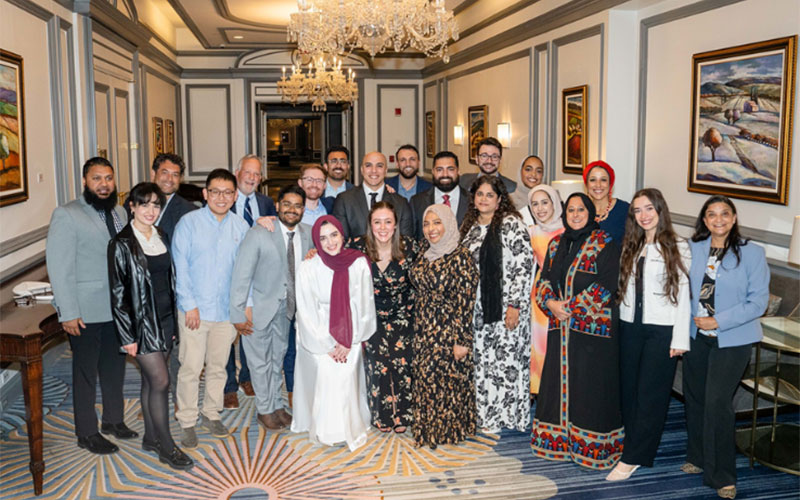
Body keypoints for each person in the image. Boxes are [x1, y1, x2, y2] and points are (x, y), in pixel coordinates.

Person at [46, 157, 136, 455]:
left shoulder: (119, 212)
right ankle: (86, 432)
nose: (104, 184)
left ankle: (113, 420)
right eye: (97, 178)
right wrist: (68, 312)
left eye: (108, 178)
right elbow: (59, 268)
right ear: (85, 181)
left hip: (116, 309)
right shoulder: (67, 214)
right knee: (85, 373)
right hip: (85, 312)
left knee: (114, 368)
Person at [682, 195, 769, 499]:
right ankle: (697, 456)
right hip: (695, 337)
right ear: (704, 220)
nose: (718, 220)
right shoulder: (692, 248)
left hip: (733, 339)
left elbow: (758, 303)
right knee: (695, 399)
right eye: (711, 214)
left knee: (718, 403)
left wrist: (718, 321)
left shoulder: (752, 253)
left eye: (724, 214)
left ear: (733, 218)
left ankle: (723, 476)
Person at [531, 192, 623, 470]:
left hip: (593, 333)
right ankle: (558, 444)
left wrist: (568, 308)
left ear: (591, 212)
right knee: (558, 385)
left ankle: (593, 449)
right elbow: (544, 280)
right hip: (560, 329)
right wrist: (550, 303)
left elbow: (607, 284)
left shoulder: (606, 243)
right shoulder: (556, 244)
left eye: (581, 209)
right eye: (570, 210)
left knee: (590, 388)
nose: (575, 215)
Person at [606, 188, 691, 482]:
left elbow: (684, 296)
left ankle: (634, 457)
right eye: (637, 210)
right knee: (628, 391)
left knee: (650, 395)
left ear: (660, 210)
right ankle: (631, 444)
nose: (643, 215)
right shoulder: (632, 244)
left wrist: (680, 339)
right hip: (630, 327)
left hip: (661, 331)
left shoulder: (678, 246)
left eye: (649, 209)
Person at [108, 182, 193, 470]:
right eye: (144, 204)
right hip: (140, 325)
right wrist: (127, 336)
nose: (150, 210)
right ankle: (167, 447)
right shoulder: (121, 243)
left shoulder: (161, 235)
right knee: (161, 381)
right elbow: (118, 295)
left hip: (165, 319)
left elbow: (168, 279)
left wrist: (174, 324)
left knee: (149, 382)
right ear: (131, 206)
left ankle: (150, 437)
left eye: (156, 205)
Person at [172, 169, 250, 449]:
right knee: (191, 367)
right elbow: (180, 267)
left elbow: (245, 272)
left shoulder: (241, 227)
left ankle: (211, 413)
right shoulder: (189, 223)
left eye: (227, 192)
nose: (221, 197)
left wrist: (243, 307)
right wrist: (189, 305)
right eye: (215, 191)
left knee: (219, 367)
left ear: (235, 196)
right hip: (195, 310)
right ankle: (187, 420)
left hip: (226, 312)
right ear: (205, 194)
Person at [230, 185, 313, 431]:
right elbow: (241, 274)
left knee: (276, 359)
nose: (292, 210)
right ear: (277, 206)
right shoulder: (259, 233)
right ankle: (265, 409)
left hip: (287, 309)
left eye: (297, 206)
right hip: (257, 309)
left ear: (303, 209)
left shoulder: (308, 234)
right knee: (259, 363)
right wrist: (239, 310)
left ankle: (277, 405)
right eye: (287, 204)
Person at [291, 216, 377, 451]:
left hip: (351, 333)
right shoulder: (308, 267)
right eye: (323, 238)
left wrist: (348, 340)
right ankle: (327, 429)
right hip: (318, 334)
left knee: (345, 369)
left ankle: (350, 425)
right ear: (316, 242)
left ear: (342, 234)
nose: (330, 242)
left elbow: (365, 306)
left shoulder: (357, 263)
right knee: (326, 369)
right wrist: (327, 344)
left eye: (334, 235)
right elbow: (306, 311)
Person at [460, 175, 533, 433]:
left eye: (490, 195)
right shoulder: (469, 227)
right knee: (483, 362)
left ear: (500, 199)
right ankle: (485, 415)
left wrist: (515, 305)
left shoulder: (510, 223)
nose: (484, 199)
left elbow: (524, 265)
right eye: (480, 194)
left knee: (505, 363)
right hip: (477, 309)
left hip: (505, 308)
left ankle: (507, 417)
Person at [410, 204, 479, 449]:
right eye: (426, 223)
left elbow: (466, 302)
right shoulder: (423, 251)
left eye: (437, 222)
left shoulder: (461, 257)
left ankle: (448, 431)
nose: (431, 229)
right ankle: (427, 428)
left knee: (447, 383)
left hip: (448, 331)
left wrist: (462, 341)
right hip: (423, 328)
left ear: (449, 223)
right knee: (425, 380)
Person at [349, 202, 419, 433]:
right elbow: (331, 255)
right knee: (378, 365)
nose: (382, 227)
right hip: (371, 316)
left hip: (403, 315)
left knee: (402, 362)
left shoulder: (411, 247)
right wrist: (313, 252)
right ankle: (382, 416)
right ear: (370, 225)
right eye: (377, 222)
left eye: (388, 222)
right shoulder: (356, 247)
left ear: (396, 224)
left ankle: (404, 415)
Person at [225, 154, 278, 409]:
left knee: (250, 327)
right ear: (237, 173)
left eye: (257, 174)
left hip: (257, 277)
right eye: (248, 172)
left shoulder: (266, 203)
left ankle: (247, 377)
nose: (252, 178)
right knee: (226, 331)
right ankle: (228, 386)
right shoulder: (224, 199)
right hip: (227, 275)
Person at [527, 184, 565, 394]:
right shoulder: (531, 232)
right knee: (540, 347)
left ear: (554, 203)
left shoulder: (568, 230)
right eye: (535, 204)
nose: (540, 208)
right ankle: (542, 394)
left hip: (565, 293)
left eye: (544, 202)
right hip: (540, 296)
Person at [331, 151, 414, 240]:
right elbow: (341, 240)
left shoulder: (401, 203)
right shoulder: (344, 200)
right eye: (368, 165)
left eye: (379, 166)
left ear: (386, 171)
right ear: (362, 170)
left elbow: (405, 240)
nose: (374, 170)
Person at [409, 151, 469, 240]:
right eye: (439, 170)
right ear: (433, 171)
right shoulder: (417, 202)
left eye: (450, 169)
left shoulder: (472, 200)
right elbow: (412, 238)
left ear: (458, 171)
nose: (445, 174)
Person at [582, 160, 629, 242]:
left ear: (610, 183)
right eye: (593, 180)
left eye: (603, 180)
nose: (598, 185)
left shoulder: (625, 210)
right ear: (586, 184)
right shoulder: (580, 210)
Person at [511, 155, 545, 229]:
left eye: (539, 171)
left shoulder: (549, 201)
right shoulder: (509, 201)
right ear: (520, 171)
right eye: (528, 169)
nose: (533, 174)